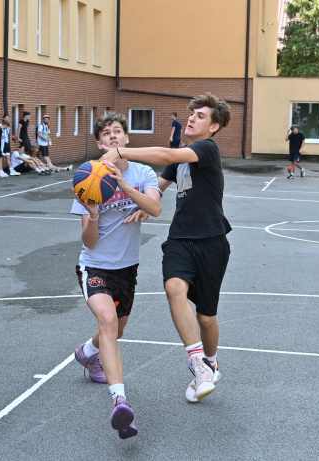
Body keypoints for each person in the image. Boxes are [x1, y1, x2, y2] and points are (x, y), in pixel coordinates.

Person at [100, 93, 231, 403]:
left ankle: (211, 361)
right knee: (174, 287)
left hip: (212, 241)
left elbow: (168, 157)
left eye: (201, 116)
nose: (192, 118)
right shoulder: (184, 155)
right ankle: (198, 364)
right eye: (193, 114)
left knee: (207, 318)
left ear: (213, 127)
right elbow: (157, 188)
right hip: (180, 240)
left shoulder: (206, 150)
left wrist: (120, 149)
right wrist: (145, 203)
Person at [72, 111, 161, 439]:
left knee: (116, 331)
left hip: (127, 268)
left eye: (117, 131)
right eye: (106, 133)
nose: (112, 136)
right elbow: (89, 240)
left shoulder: (142, 172)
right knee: (108, 322)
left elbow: (155, 209)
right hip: (93, 266)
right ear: (99, 143)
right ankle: (120, 401)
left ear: (126, 140)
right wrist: (92, 213)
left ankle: (87, 353)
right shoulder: (87, 178)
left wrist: (124, 185)